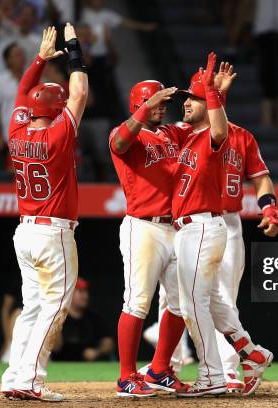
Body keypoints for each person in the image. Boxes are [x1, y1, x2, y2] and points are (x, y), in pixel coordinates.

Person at [170, 54, 274, 396]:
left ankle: (222, 371)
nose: (186, 102)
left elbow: (260, 177)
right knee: (208, 299)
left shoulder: (236, 137)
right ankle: (247, 354)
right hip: (192, 224)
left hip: (221, 221)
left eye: (194, 97)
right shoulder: (185, 135)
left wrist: (269, 208)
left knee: (211, 299)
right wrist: (212, 93)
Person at [0, 23, 88, 402]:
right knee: (54, 307)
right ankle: (30, 379)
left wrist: (39, 58)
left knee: (33, 307)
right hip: (53, 233)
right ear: (54, 109)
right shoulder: (56, 136)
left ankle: (14, 375)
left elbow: (23, 92)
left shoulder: (17, 131)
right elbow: (81, 90)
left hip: (25, 232)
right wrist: (73, 49)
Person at [108, 78, 190, 396]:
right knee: (138, 301)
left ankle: (158, 369)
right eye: (156, 102)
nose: (162, 108)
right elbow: (118, 145)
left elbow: (198, 127)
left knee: (180, 303)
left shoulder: (170, 133)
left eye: (163, 103)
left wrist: (213, 93)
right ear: (140, 104)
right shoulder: (126, 131)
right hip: (144, 226)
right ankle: (126, 376)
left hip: (176, 227)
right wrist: (147, 105)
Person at [53, 278, 114, 361]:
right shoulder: (58, 318)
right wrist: (56, 325)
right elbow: (55, 348)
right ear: (69, 294)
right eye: (81, 292)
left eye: (86, 292)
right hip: (61, 364)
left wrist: (97, 352)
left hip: (90, 366)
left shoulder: (93, 318)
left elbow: (108, 342)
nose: (86, 296)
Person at [0, 42, 26, 144]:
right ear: (8, 60)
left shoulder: (33, 78)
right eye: (17, 55)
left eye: (22, 54)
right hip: (7, 137)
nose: (21, 58)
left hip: (31, 138)